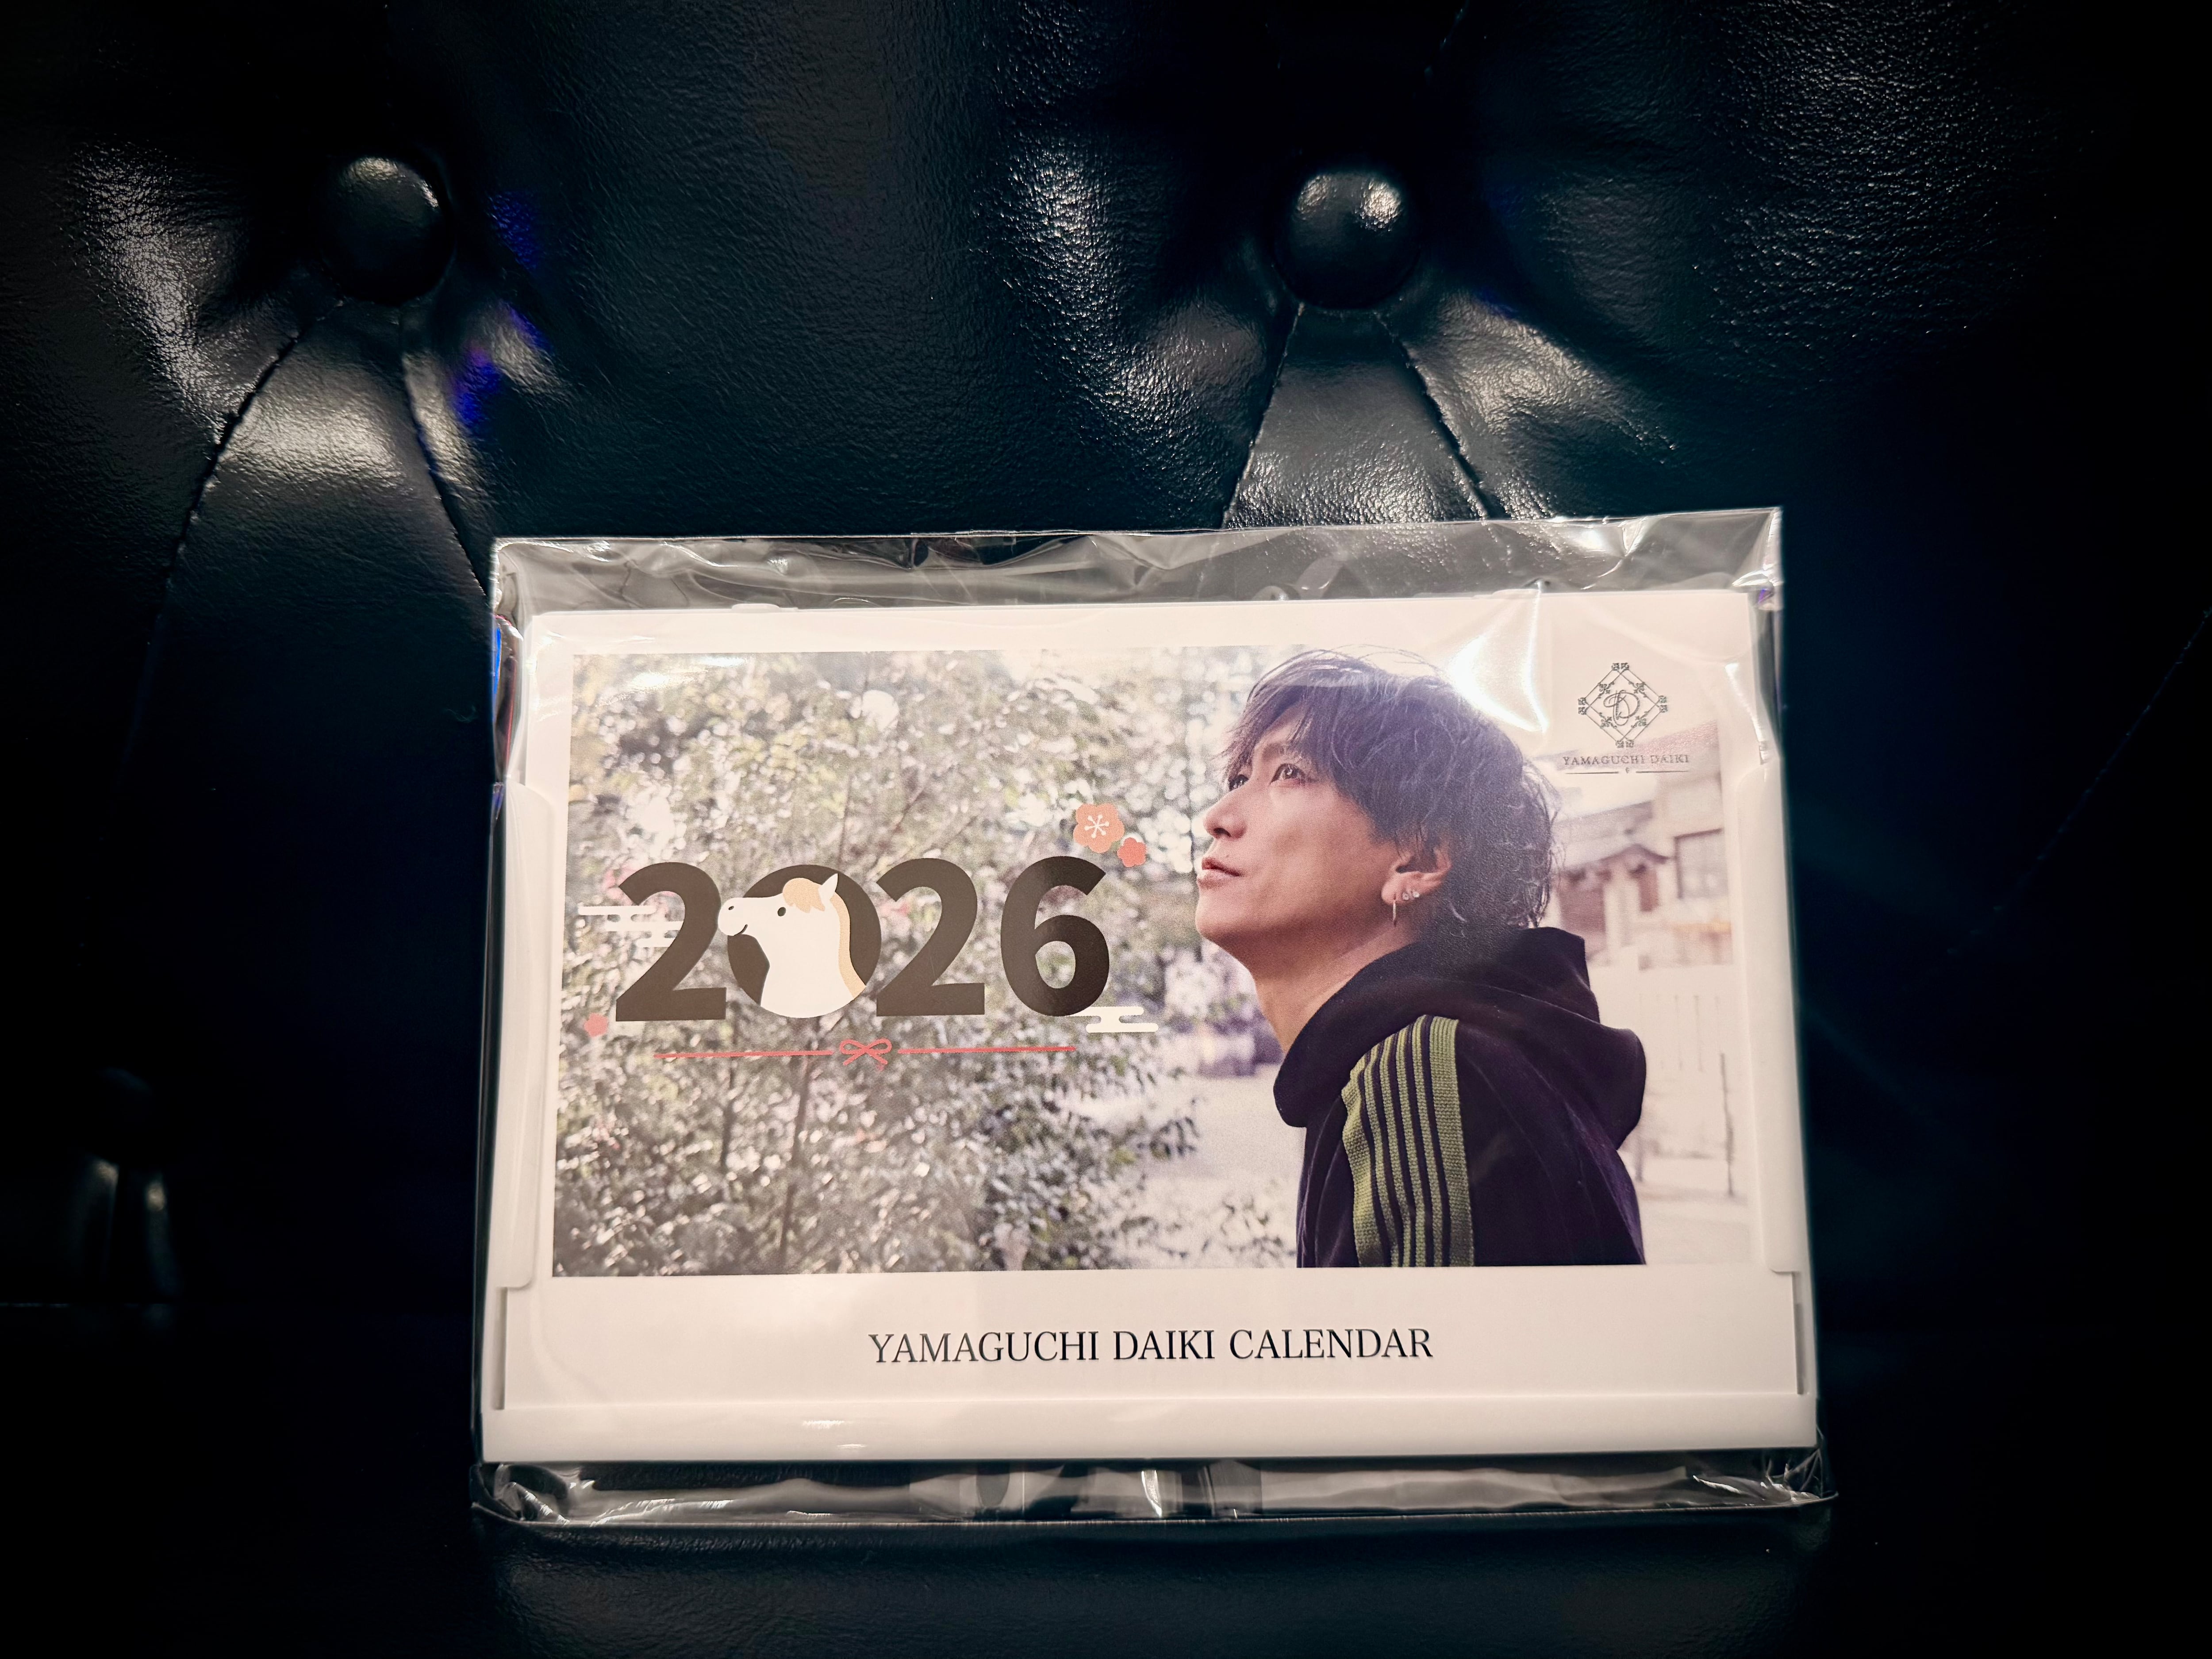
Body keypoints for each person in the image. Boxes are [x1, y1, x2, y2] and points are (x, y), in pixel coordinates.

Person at [1195, 651, 1645, 1267]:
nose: (1218, 818)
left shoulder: (1428, 1075)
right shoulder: (1449, 1063)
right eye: (1239, 779)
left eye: (1290, 773)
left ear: (1419, 860)